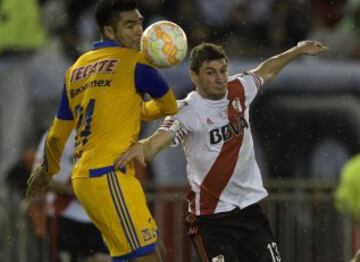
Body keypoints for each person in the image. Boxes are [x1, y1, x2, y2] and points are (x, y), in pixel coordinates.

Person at [114, 40, 328, 262]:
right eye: (210, 72)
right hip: (211, 221)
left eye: (223, 70)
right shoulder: (186, 111)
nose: (220, 78)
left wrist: (297, 50)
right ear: (194, 76)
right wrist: (138, 149)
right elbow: (155, 143)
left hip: (250, 212)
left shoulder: (240, 88)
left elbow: (267, 70)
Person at [26, 0, 178, 261]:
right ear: (108, 31)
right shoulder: (136, 63)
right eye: (130, 25)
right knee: (148, 258)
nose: (138, 31)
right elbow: (169, 106)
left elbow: (58, 132)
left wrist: (46, 170)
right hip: (109, 175)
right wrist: (139, 110)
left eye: (140, 22)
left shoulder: (76, 69)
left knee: (153, 252)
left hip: (90, 177)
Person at [32, 131, 110, 262]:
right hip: (64, 215)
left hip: (99, 217)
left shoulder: (104, 132)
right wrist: (72, 191)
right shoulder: (56, 133)